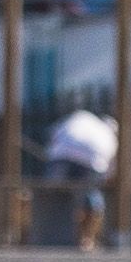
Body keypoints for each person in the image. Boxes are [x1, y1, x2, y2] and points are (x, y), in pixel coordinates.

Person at [39, 106, 118, 248]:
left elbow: (53, 134)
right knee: (91, 197)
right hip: (92, 160)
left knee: (52, 194)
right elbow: (109, 174)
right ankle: (87, 239)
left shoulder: (81, 116)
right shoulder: (110, 136)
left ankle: (48, 236)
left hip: (61, 154)